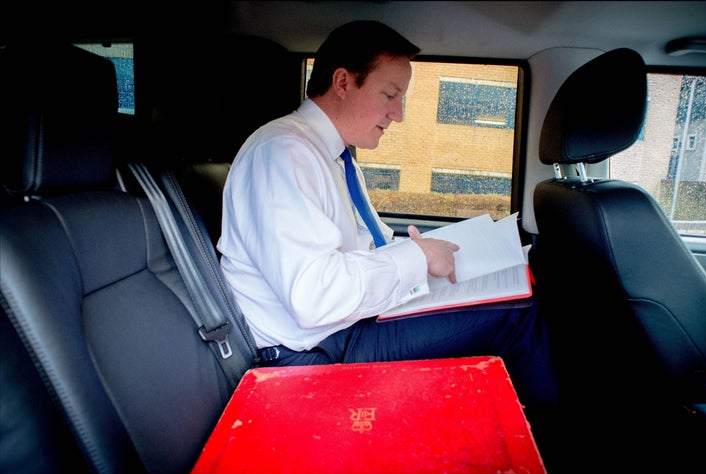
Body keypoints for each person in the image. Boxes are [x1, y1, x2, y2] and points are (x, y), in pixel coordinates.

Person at [217, 20, 558, 424]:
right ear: (343, 83)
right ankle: (552, 449)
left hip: (346, 326)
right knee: (516, 314)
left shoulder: (335, 159)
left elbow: (363, 252)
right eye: (390, 95)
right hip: (313, 350)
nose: (397, 114)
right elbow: (314, 296)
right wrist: (413, 258)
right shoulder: (282, 155)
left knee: (510, 296)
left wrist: (415, 257)